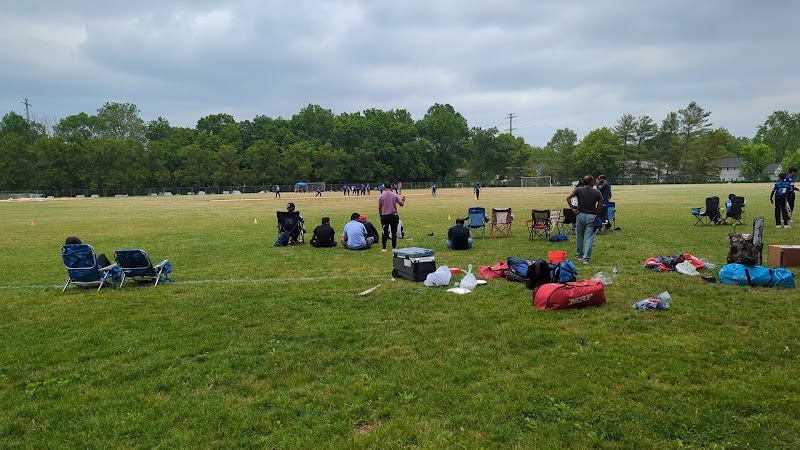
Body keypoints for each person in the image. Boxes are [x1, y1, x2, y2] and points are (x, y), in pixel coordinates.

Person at [566, 175, 603, 265]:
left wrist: (572, 209)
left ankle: (579, 254)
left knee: (580, 236)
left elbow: (568, 197)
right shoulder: (597, 192)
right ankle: (586, 259)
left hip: (580, 215)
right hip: (591, 216)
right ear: (591, 182)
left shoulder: (578, 190)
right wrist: (597, 215)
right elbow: (600, 205)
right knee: (589, 237)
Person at [378, 181, 406, 253]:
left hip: (384, 216)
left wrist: (381, 215)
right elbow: (401, 204)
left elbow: (380, 207)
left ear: (384, 187)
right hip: (393, 215)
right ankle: (394, 247)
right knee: (394, 231)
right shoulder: (395, 195)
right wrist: (403, 200)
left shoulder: (381, 196)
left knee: (384, 231)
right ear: (391, 187)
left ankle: (384, 247)